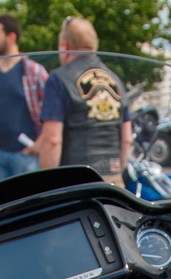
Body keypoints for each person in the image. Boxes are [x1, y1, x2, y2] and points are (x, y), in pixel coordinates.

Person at [37, 17, 132, 187]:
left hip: (75, 182)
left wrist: (46, 185)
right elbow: (126, 139)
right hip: (113, 182)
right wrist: (116, 172)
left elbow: (52, 140)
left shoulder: (59, 79)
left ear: (65, 46)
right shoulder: (115, 80)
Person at [0, 14, 48, 180]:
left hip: (25, 155)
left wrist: (40, 143)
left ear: (11, 37)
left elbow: (52, 110)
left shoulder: (33, 71)